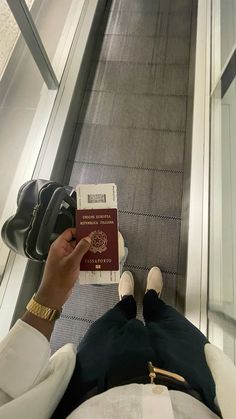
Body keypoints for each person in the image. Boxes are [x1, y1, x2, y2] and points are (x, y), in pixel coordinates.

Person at [0, 229, 235, 419]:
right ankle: (152, 298)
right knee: (167, 318)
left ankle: (127, 301)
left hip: (94, 382)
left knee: (112, 321)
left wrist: (49, 296)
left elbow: (6, 390)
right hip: (192, 384)